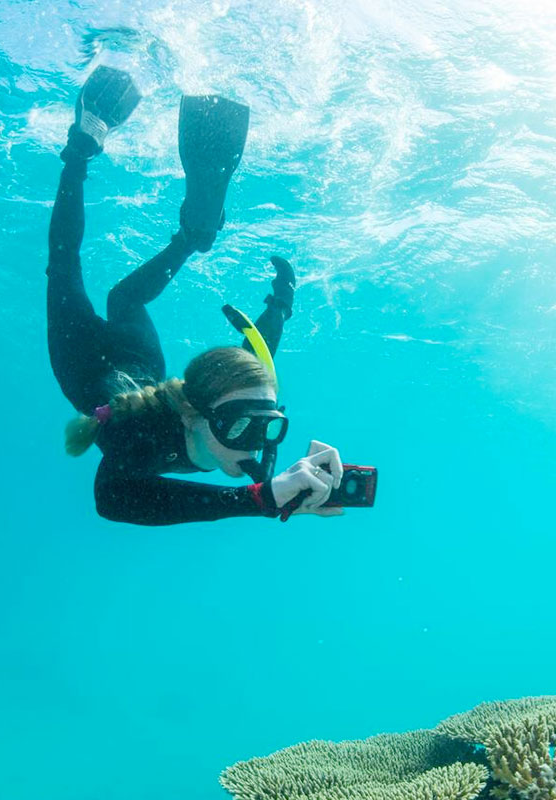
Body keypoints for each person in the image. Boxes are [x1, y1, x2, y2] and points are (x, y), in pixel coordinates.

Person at [45, 67, 343, 526]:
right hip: (132, 360)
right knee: (114, 296)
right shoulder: (153, 437)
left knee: (83, 276)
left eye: (269, 426)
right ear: (192, 415)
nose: (256, 443)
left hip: (80, 360)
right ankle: (102, 163)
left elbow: (115, 500)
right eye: (250, 424)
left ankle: (97, 160)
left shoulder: (186, 435)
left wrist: (273, 496)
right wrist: (279, 304)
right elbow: (255, 359)